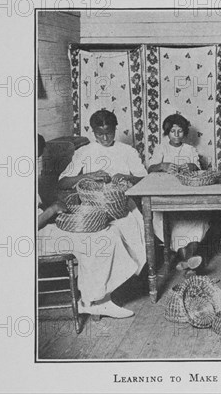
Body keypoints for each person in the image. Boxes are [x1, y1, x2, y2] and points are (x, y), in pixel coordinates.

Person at [37, 133, 144, 319]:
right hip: (33, 240)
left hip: (44, 228)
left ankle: (94, 299)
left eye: (38, 157)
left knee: (108, 232)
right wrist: (53, 209)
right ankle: (95, 302)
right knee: (100, 240)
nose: (38, 162)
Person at [57, 110, 148, 314]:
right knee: (103, 239)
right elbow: (63, 182)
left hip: (122, 206)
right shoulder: (84, 152)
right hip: (92, 209)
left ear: (116, 129)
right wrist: (87, 176)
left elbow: (144, 178)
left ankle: (109, 290)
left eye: (109, 133)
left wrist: (126, 176)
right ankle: (100, 296)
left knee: (128, 231)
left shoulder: (127, 151)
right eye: (100, 134)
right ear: (93, 132)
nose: (105, 138)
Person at [147, 114, 210, 274]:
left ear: (185, 133)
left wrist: (189, 166)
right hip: (166, 196)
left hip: (186, 196)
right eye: (172, 131)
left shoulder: (189, 149)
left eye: (180, 131)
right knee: (171, 223)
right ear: (167, 132)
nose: (176, 134)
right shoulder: (161, 148)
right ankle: (189, 262)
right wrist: (163, 165)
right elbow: (150, 169)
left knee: (194, 221)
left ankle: (188, 261)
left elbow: (197, 168)